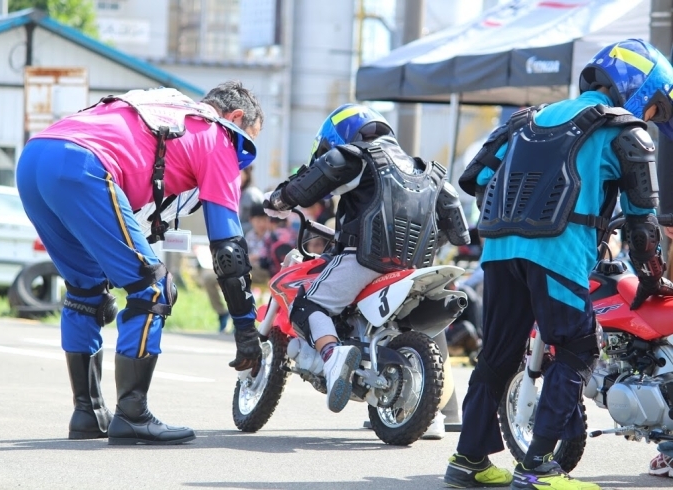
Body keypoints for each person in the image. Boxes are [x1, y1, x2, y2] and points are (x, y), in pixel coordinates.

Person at [444, 39, 673, 489]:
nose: (652, 118)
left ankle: (467, 460)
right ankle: (537, 467)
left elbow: (474, 178)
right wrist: (653, 279)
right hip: (558, 250)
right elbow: (644, 231)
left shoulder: (525, 120)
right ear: (641, 89)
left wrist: (520, 208)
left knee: (497, 355)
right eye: (656, 108)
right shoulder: (625, 131)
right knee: (578, 346)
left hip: (499, 250)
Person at [15, 80, 265, 445]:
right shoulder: (218, 135)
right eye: (249, 139)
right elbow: (228, 248)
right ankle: (132, 413)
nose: (241, 156)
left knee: (86, 289)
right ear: (236, 117)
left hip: (36, 156)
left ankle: (88, 413)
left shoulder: (170, 109)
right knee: (152, 287)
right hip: (82, 164)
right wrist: (246, 329)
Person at [263, 103, 471, 413]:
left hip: (365, 258)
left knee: (307, 304)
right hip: (416, 269)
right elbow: (460, 234)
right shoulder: (430, 172)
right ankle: (435, 416)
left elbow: (309, 185)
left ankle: (333, 357)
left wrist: (277, 199)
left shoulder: (357, 156)